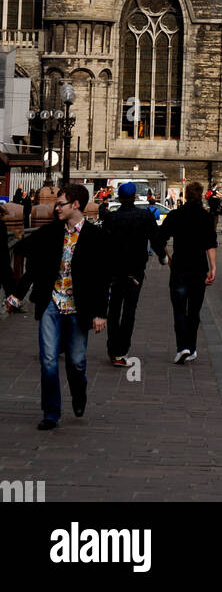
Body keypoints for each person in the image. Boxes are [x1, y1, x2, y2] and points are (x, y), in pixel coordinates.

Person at [7, 183, 110, 430]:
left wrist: (100, 313)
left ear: (75, 205)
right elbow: (31, 264)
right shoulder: (51, 233)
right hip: (51, 304)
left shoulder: (95, 238)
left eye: (60, 203)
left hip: (79, 307)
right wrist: (17, 295)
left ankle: (79, 393)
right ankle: (51, 412)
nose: (56, 208)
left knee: (76, 361)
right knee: (49, 359)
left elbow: (101, 278)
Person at [101, 181, 166, 365]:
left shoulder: (111, 218)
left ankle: (113, 349)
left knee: (113, 310)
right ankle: (121, 351)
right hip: (135, 271)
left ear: (120, 198)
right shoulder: (144, 216)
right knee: (129, 311)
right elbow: (155, 239)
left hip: (114, 271)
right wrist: (162, 257)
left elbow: (103, 245)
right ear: (135, 196)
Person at [155, 181, 217, 364]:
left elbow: (160, 238)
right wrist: (213, 267)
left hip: (180, 267)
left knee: (179, 310)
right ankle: (192, 347)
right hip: (199, 268)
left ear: (186, 195)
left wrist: (166, 258)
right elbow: (211, 244)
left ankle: (182, 347)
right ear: (201, 195)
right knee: (194, 311)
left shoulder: (176, 215)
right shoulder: (206, 217)